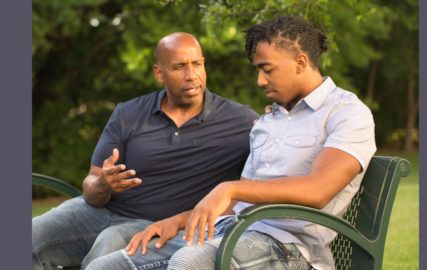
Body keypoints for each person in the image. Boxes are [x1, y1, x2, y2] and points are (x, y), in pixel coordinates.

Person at [32, 32, 259, 270]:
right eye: (179, 67)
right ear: (159, 73)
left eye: (197, 64)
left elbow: (265, 173)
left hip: (156, 225)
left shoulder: (240, 121)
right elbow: (91, 186)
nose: (191, 75)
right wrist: (103, 184)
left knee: (110, 245)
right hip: (96, 213)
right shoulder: (128, 113)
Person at [167, 16, 377, 270]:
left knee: (189, 262)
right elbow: (238, 204)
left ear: (300, 62)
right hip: (235, 231)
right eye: (258, 70)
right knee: (117, 261)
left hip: (291, 250)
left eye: (267, 69)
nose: (260, 81)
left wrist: (228, 188)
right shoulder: (269, 121)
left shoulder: (346, 112)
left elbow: (318, 190)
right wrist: (176, 221)